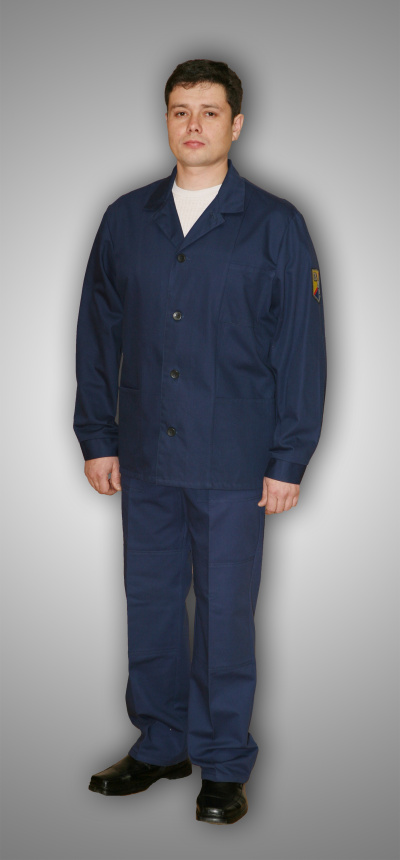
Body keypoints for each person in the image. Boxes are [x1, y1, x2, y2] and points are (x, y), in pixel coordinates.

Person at [73, 58, 327, 825]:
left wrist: (289, 458)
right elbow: (96, 334)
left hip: (234, 460)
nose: (194, 125)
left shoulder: (276, 224)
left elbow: (301, 350)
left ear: (236, 125)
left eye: (210, 112)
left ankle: (222, 764)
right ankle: (160, 744)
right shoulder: (126, 219)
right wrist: (97, 435)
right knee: (150, 605)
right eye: (181, 110)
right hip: (145, 454)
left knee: (224, 617)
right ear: (166, 120)